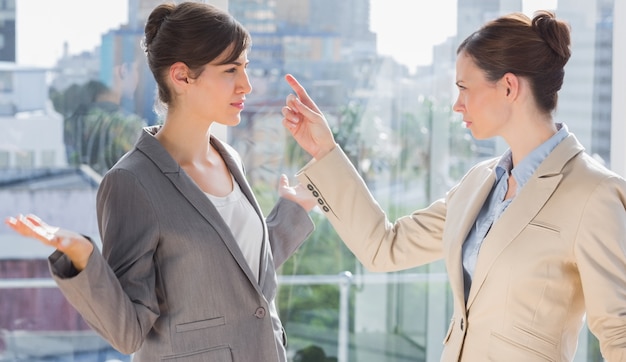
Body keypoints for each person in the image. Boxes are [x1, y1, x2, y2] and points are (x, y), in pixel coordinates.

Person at [281, 10, 626, 362]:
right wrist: (325, 150)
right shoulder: (479, 182)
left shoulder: (594, 194)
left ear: (508, 86)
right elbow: (385, 246)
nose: (456, 104)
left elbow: (620, 334)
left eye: (463, 88)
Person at [6, 2, 316, 361]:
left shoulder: (229, 160)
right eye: (231, 70)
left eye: (245, 67)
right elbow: (129, 331)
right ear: (182, 76)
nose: (246, 84)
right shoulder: (132, 182)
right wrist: (82, 258)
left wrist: (291, 213)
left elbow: (236, 275)